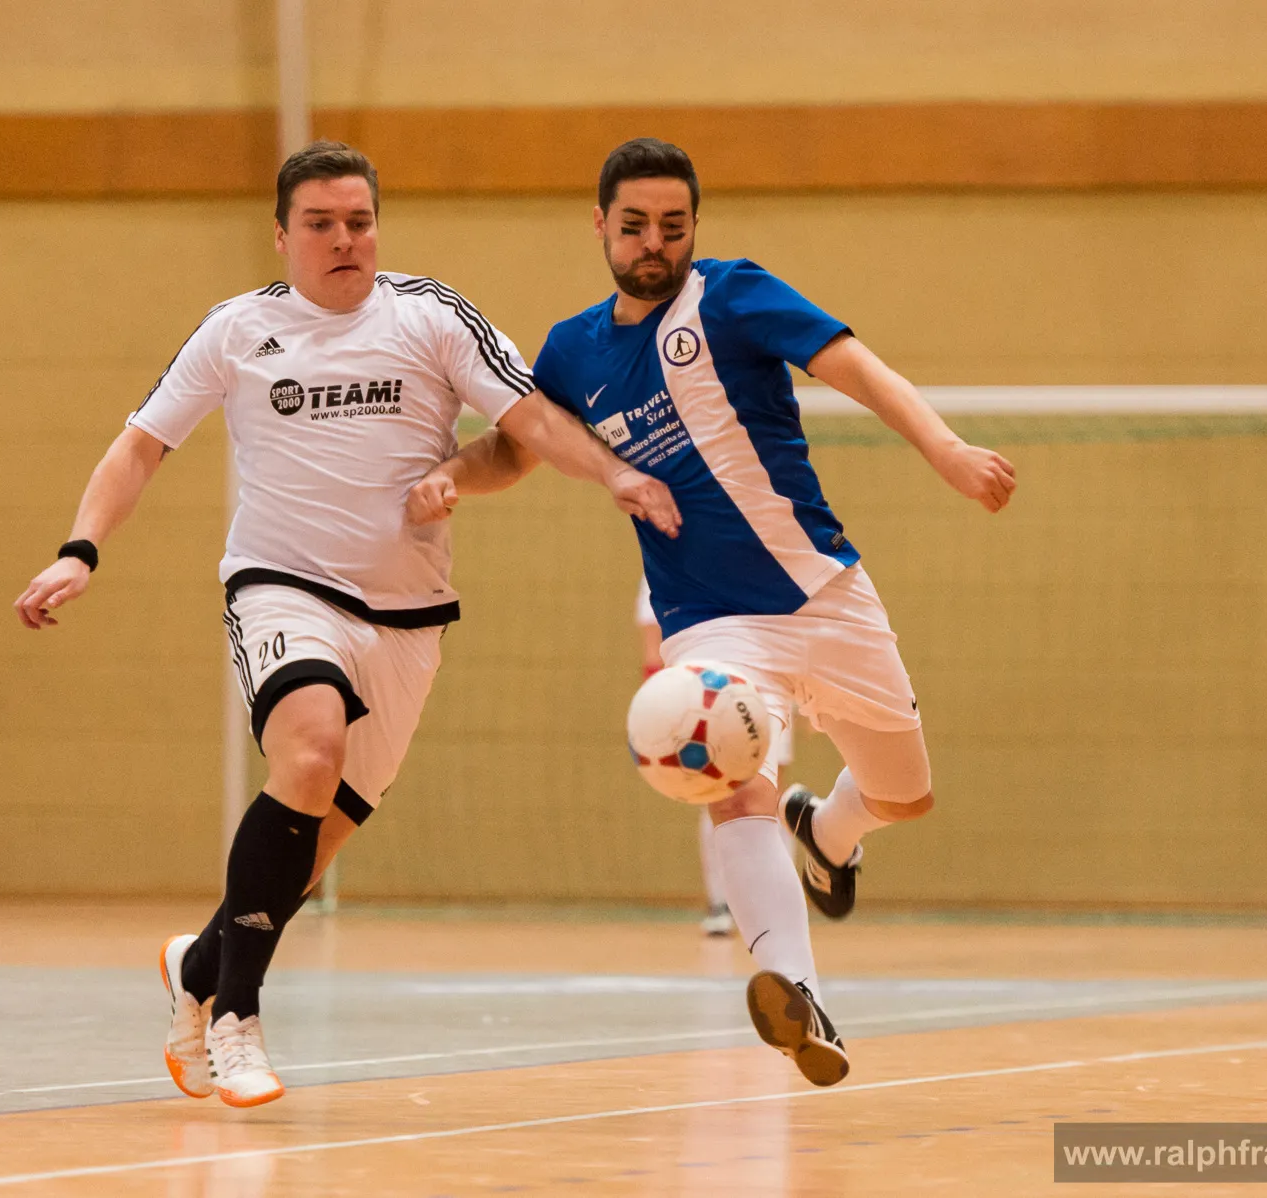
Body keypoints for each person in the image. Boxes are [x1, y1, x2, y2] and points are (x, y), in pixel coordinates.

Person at [14, 141, 679, 1109]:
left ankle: (197, 967)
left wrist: (612, 474)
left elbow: (529, 424)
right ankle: (236, 1017)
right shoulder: (238, 331)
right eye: (321, 224)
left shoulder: (430, 317)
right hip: (282, 586)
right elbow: (140, 446)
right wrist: (80, 550)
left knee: (312, 845)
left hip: (408, 614)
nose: (344, 240)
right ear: (281, 236)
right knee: (310, 749)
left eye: (359, 222)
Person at [408, 138, 1015, 1087]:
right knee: (733, 780)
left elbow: (856, 368)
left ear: (695, 226)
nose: (654, 242)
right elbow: (514, 449)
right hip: (708, 619)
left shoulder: (733, 295)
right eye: (635, 224)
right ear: (600, 224)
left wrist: (944, 448)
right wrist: (451, 474)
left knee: (905, 795)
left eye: (673, 225)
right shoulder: (572, 350)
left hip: (825, 593)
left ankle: (829, 834)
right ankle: (797, 990)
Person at [635, 575, 794, 937]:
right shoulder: (664, 552)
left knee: (772, 792)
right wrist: (658, 699)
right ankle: (722, 902)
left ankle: (778, 904)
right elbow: (651, 632)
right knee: (718, 790)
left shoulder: (760, 551)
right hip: (701, 691)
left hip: (766, 681)